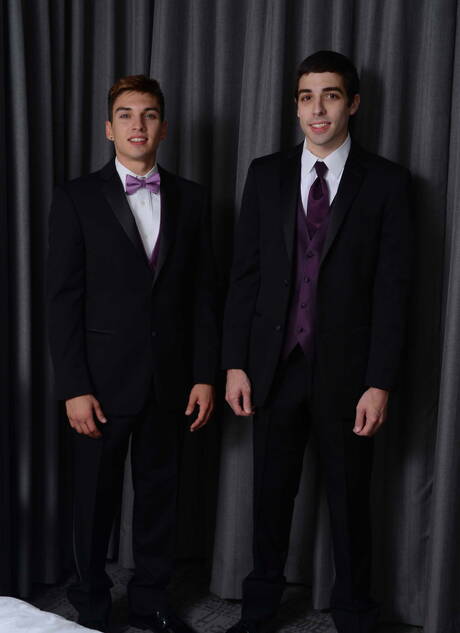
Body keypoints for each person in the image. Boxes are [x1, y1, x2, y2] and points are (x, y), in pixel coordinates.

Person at [222, 50, 412, 633]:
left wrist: (379, 382)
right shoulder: (266, 174)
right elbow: (245, 277)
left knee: (351, 503)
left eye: (330, 95)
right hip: (275, 367)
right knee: (269, 497)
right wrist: (235, 364)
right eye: (306, 97)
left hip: (349, 376)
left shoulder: (387, 182)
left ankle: (355, 615)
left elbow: (394, 293)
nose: (317, 109)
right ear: (296, 107)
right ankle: (258, 613)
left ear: (353, 103)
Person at [47, 75, 218, 633]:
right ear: (109, 128)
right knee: (93, 503)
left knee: (160, 500)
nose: (137, 125)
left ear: (163, 128)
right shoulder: (76, 198)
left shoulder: (193, 199)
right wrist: (74, 386)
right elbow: (62, 300)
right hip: (99, 383)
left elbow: (203, 296)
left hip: (170, 380)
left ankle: (151, 602)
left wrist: (204, 374)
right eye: (125, 115)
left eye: (148, 115)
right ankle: (92, 606)